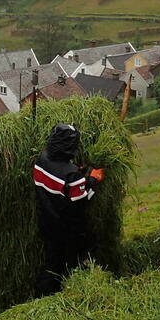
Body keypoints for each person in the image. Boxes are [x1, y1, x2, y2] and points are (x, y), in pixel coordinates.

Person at [32, 123, 104, 296]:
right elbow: (82, 201)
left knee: (53, 259)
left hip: (46, 219)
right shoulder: (71, 174)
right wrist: (94, 180)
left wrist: (76, 173)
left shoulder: (41, 159)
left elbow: (57, 180)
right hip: (65, 226)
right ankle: (48, 295)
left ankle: (46, 293)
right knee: (70, 258)